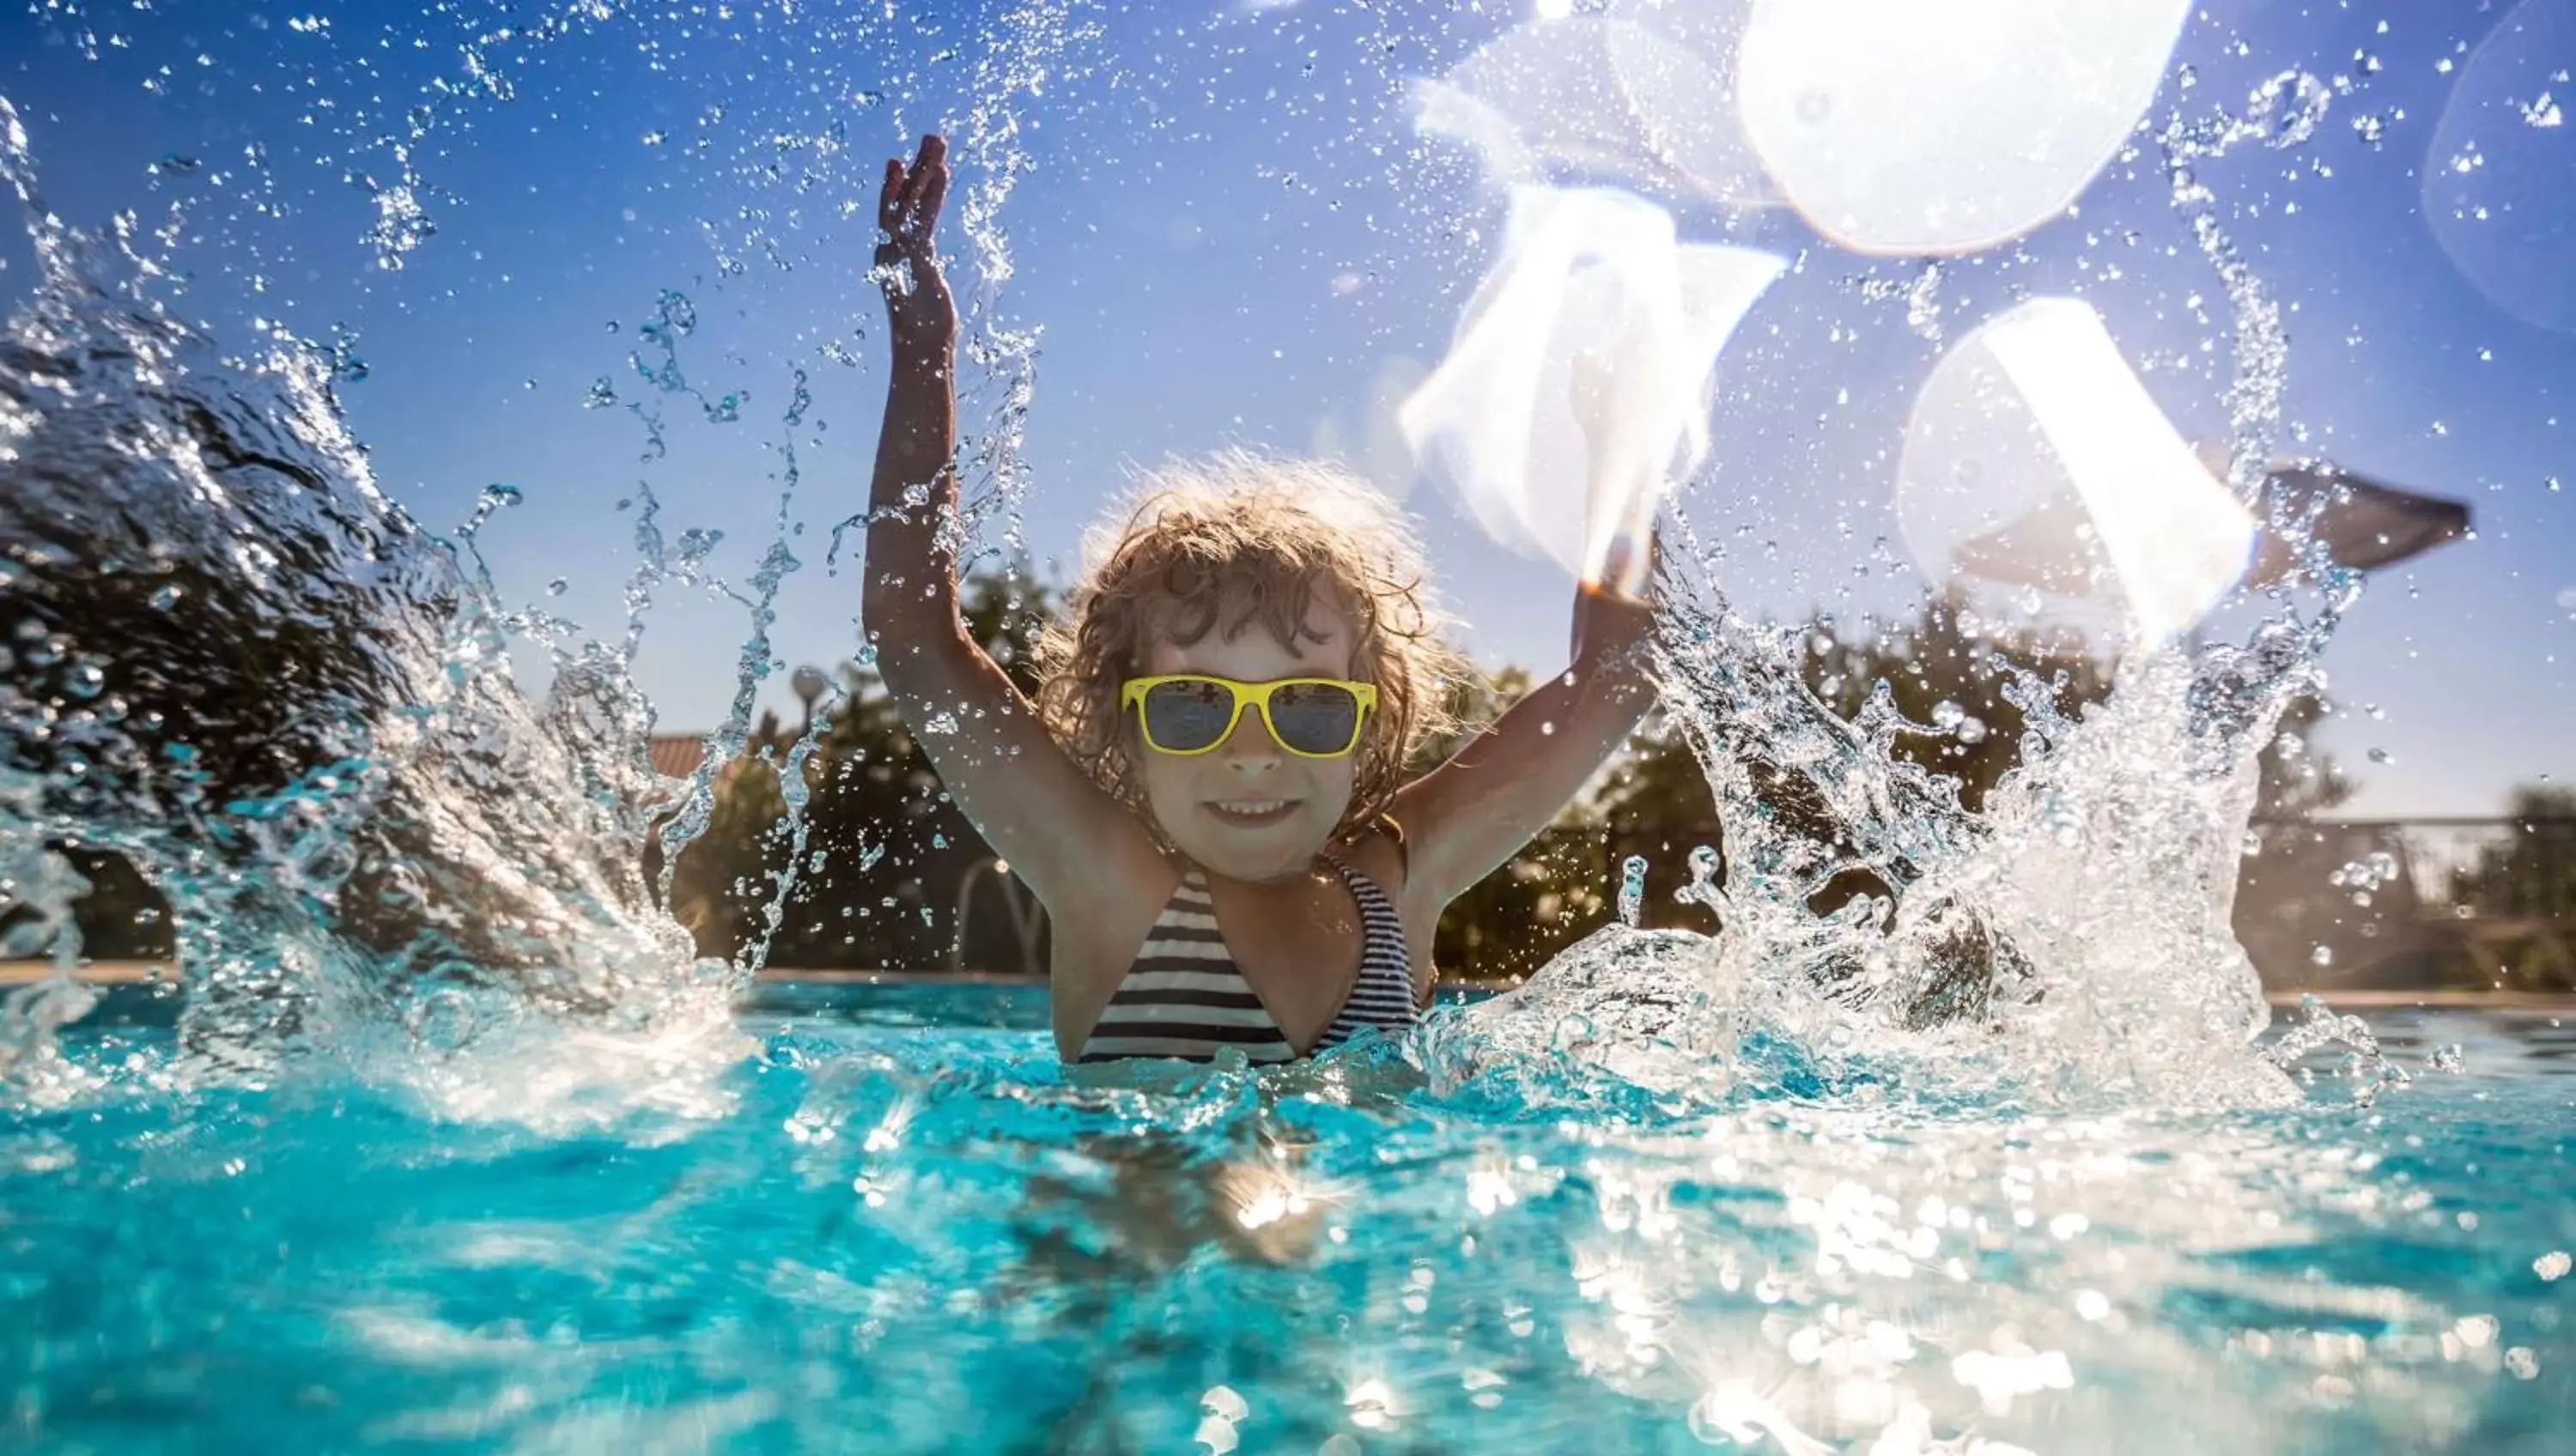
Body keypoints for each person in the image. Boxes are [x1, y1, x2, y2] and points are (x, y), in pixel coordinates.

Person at [862, 135, 1658, 1065]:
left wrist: (1625, 456)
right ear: (1126, 722)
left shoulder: (1400, 878)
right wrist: (924, 348)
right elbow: (916, 639)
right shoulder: (1108, 878)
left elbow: (1619, 678)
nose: (1252, 754)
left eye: (1310, 707)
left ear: (1371, 724)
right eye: (1194, 703)